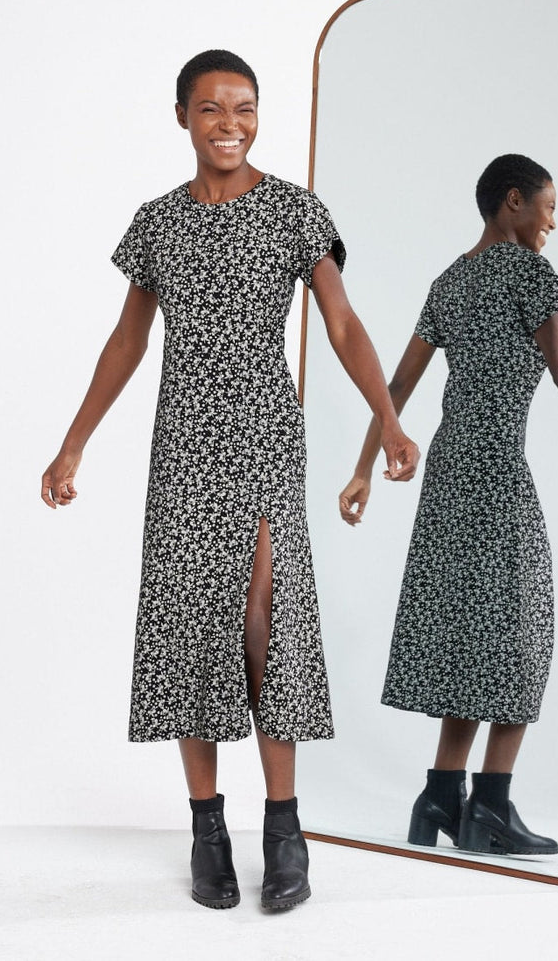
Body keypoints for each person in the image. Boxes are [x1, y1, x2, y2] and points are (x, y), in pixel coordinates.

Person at [41, 50, 418, 910]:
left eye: (244, 108)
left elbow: (343, 323)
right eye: (211, 108)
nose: (229, 124)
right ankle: (206, 828)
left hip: (265, 438)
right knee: (191, 625)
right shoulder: (157, 223)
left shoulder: (294, 210)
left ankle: (285, 828)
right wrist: (74, 444)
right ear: (182, 115)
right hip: (183, 445)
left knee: (263, 621)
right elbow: (128, 341)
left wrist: (388, 419)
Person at [338, 154, 558, 856]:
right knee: (520, 631)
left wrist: (363, 469)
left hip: (448, 473)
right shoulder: (528, 272)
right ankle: (489, 806)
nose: (553, 222)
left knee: (471, 638)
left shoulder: (449, 281)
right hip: (495, 469)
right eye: (549, 206)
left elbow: (397, 385)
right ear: (514, 201)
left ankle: (439, 796)